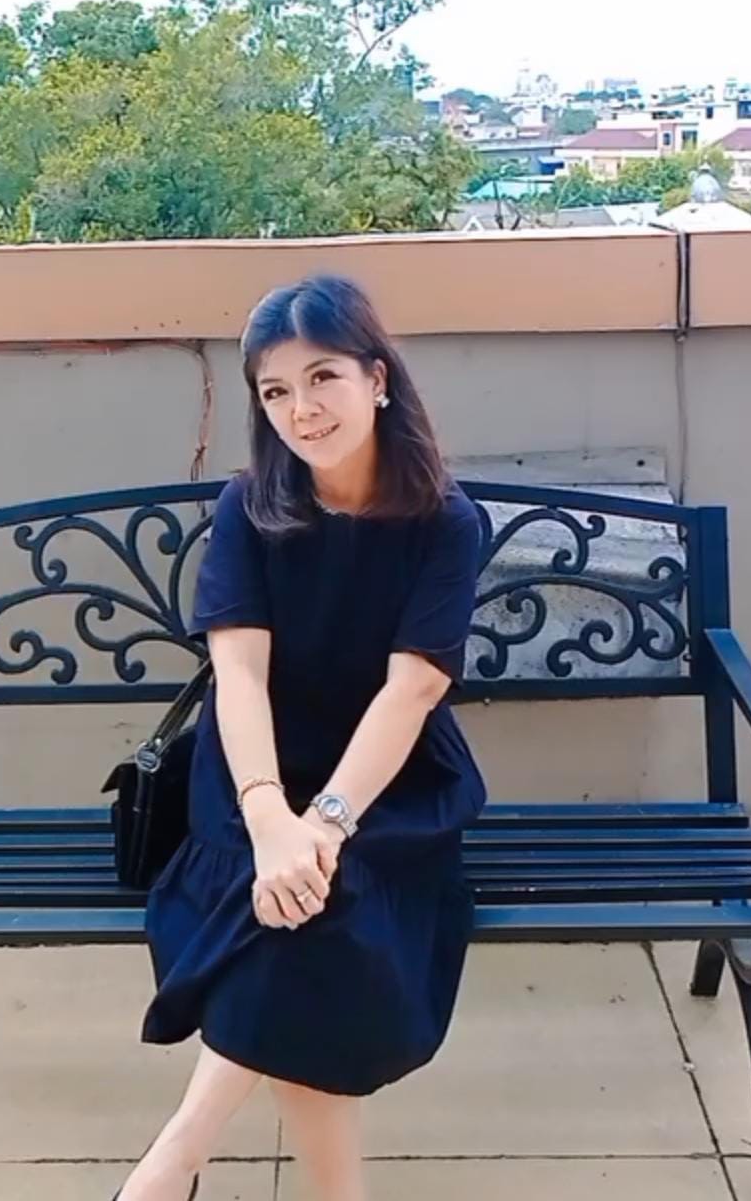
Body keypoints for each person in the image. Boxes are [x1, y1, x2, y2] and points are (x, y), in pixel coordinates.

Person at [114, 275, 487, 1201]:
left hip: (388, 777)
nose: (302, 409)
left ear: (377, 378)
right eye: (276, 390)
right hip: (253, 768)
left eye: (323, 377)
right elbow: (238, 677)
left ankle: (170, 1162)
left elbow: (413, 689)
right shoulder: (249, 508)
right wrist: (270, 815)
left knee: (307, 904)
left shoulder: (446, 521)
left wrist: (323, 821)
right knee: (295, 904)